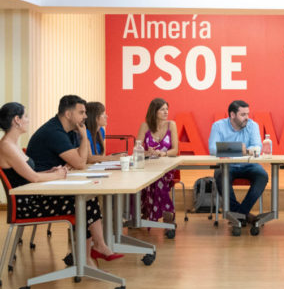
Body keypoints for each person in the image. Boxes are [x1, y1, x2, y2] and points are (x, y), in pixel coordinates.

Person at [17, 97, 122, 266]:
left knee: (88, 199)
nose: (85, 117)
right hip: (37, 197)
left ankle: (91, 252)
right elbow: (81, 163)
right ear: (68, 113)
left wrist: (79, 147)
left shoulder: (68, 131)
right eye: (81, 112)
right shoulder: (55, 133)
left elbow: (81, 161)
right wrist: (82, 136)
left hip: (51, 186)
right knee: (84, 202)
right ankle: (90, 254)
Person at [208, 100, 268, 225]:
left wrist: (243, 150)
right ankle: (244, 215)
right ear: (232, 115)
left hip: (249, 165)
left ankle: (239, 215)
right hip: (227, 165)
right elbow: (213, 148)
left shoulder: (253, 125)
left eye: (248, 114)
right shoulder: (218, 126)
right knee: (220, 175)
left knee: (262, 175)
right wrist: (237, 149)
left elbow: (257, 146)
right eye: (243, 115)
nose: (247, 118)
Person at [136, 98, 179, 223]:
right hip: (148, 166)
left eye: (167, 109)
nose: (166, 112)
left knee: (158, 177)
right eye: (162, 110)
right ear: (154, 112)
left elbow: (175, 150)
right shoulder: (145, 126)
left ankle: (164, 213)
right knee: (149, 177)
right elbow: (136, 149)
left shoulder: (172, 125)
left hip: (167, 168)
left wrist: (163, 153)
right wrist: (146, 152)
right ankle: (158, 212)